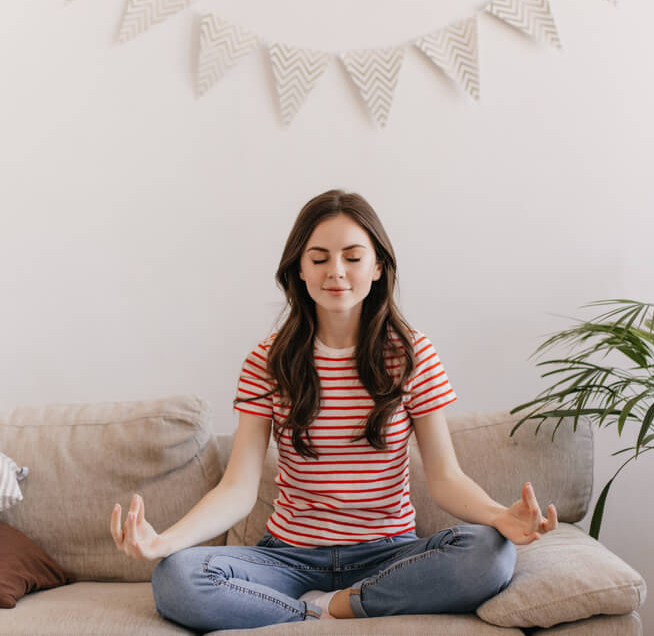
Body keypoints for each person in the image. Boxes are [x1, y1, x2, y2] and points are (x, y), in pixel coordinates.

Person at [110, 189, 558, 631]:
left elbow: (445, 478)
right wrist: (165, 542)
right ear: (299, 270)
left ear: (378, 266)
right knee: (177, 578)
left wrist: (500, 516)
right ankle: (311, 613)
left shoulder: (411, 354)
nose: (336, 272)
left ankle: (345, 604)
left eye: (353, 257)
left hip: (389, 553)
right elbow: (238, 489)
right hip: (287, 557)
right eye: (319, 258)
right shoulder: (267, 362)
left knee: (490, 553)